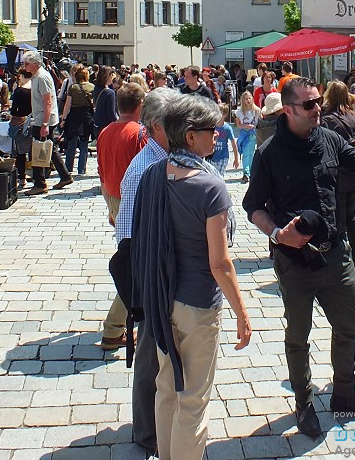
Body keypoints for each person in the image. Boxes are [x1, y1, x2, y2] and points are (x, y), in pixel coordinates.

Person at [243, 78, 355, 437]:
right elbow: (252, 206)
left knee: (348, 326)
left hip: (336, 255)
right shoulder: (270, 151)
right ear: (288, 110)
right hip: (295, 262)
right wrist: (278, 234)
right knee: (298, 336)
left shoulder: (332, 140)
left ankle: (345, 394)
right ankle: (304, 404)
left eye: (318, 101)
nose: (317, 108)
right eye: (308, 105)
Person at [132, 94, 251, 460]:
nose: (216, 135)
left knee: (167, 386)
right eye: (209, 130)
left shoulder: (154, 173)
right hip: (198, 302)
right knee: (194, 398)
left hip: (162, 297)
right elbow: (220, 263)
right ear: (188, 136)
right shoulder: (208, 187)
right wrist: (243, 315)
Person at [115, 88, 177, 457]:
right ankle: (148, 431)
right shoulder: (145, 167)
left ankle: (158, 421)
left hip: (162, 267)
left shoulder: (162, 157)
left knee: (159, 349)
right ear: (156, 126)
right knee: (151, 351)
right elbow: (128, 232)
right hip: (152, 268)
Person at [96, 83, 147, 350]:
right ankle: (114, 328)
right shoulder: (139, 134)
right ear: (140, 105)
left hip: (115, 200)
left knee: (131, 262)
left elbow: (102, 175)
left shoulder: (105, 132)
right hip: (135, 203)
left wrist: (110, 208)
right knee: (135, 267)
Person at [320, 81, 355, 273]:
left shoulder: (326, 120)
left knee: (338, 217)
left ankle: (341, 258)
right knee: (352, 216)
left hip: (337, 175)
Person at [22, 50, 73, 194]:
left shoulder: (42, 77)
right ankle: (65, 175)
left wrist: (44, 124)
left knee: (37, 150)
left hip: (43, 119)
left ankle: (40, 183)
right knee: (50, 148)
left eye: (26, 63)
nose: (24, 66)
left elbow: (48, 102)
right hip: (43, 118)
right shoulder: (37, 76)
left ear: (34, 63)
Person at [62, 65, 95, 179]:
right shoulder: (92, 87)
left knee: (72, 142)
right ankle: (82, 169)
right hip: (87, 116)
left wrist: (64, 119)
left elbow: (68, 104)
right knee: (84, 143)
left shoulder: (72, 87)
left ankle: (68, 168)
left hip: (74, 116)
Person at [9, 69, 32, 187]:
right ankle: (36, 176)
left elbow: (14, 110)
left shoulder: (19, 91)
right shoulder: (36, 88)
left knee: (21, 152)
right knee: (34, 150)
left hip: (22, 122)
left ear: (22, 76)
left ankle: (22, 178)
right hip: (35, 121)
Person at [208, 104, 240, 176]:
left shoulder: (227, 128)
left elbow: (233, 144)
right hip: (211, 156)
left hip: (223, 157)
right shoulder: (211, 126)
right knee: (211, 177)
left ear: (225, 114)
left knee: (219, 177)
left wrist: (236, 159)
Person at [234, 92, 259, 184]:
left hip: (252, 134)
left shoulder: (256, 110)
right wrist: (245, 126)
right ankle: (246, 172)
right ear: (243, 100)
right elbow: (238, 125)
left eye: (249, 98)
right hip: (244, 133)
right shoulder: (240, 112)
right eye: (246, 99)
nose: (248, 101)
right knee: (245, 153)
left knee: (250, 153)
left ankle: (249, 172)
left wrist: (253, 126)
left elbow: (259, 122)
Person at [92, 66, 118, 142]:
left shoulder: (97, 88)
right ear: (108, 76)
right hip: (107, 126)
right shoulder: (110, 92)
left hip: (98, 124)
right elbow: (112, 114)